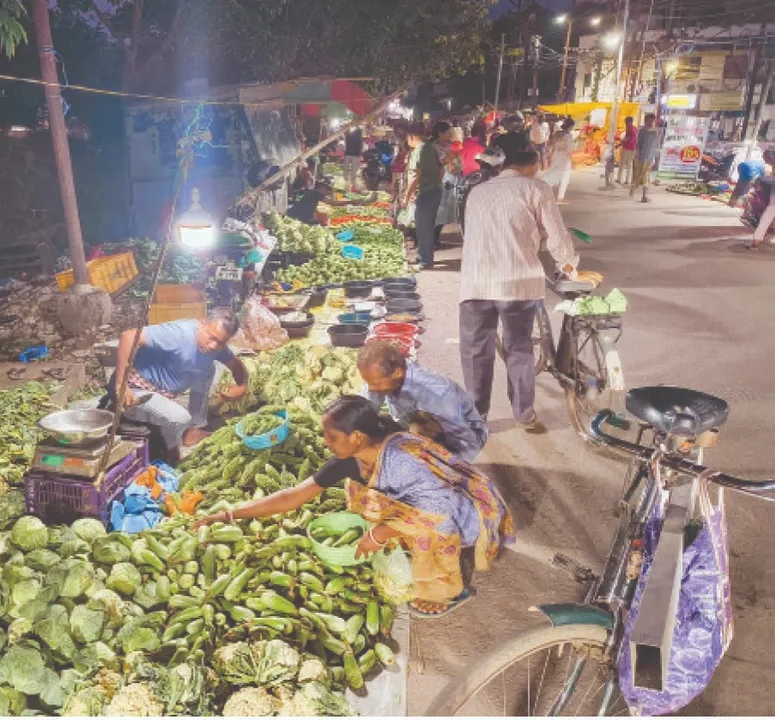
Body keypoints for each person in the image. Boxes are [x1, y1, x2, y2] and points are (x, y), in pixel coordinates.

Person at [195, 396, 513, 617]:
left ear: (358, 437)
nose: (324, 442)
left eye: (330, 436)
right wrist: (228, 514)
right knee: (372, 505)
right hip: (427, 508)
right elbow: (293, 496)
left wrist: (380, 533)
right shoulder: (355, 459)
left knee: (420, 530)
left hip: (461, 517)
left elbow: (440, 517)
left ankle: (454, 585)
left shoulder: (401, 462)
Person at [459, 149, 602, 429]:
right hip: (518, 282)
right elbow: (557, 234)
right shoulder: (537, 188)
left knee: (476, 351)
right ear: (533, 167)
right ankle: (523, 412)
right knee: (519, 347)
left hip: (476, 282)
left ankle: (476, 416)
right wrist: (570, 267)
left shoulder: (478, 191)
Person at [113, 309, 248, 461]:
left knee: (208, 368)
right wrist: (121, 384)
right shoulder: (179, 334)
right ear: (202, 323)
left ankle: (194, 429)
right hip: (137, 390)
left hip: (166, 392)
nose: (212, 345)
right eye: (212, 337)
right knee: (180, 418)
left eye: (220, 342)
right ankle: (171, 453)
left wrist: (242, 387)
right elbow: (128, 336)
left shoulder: (216, 346)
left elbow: (236, 365)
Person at [358, 341, 488, 461]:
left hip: (462, 437)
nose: (370, 388)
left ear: (397, 373)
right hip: (415, 425)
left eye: (374, 384)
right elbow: (365, 409)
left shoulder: (435, 394)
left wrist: (449, 472)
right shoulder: (379, 377)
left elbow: (466, 445)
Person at [415, 121, 451, 269]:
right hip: (433, 187)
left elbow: (418, 174)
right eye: (448, 132)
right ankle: (423, 255)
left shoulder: (425, 149)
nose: (450, 135)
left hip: (431, 188)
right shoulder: (429, 148)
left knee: (426, 225)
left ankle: (426, 259)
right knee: (425, 225)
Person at [630, 113, 661, 203]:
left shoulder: (656, 131)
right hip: (642, 157)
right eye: (649, 120)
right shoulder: (642, 131)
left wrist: (656, 158)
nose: (651, 122)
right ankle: (640, 193)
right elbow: (638, 144)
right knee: (642, 175)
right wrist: (637, 155)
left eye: (652, 120)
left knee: (645, 175)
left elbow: (656, 145)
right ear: (646, 120)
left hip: (650, 157)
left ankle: (639, 192)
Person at [544, 118, 575, 203]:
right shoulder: (568, 136)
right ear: (571, 126)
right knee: (563, 177)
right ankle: (559, 197)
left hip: (555, 156)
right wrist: (572, 162)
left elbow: (551, 146)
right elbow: (569, 151)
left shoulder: (557, 134)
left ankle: (547, 193)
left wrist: (549, 157)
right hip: (564, 158)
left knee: (553, 174)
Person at [617, 116, 638, 185]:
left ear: (630, 122)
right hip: (633, 148)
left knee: (622, 164)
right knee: (629, 165)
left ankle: (619, 179)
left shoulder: (629, 129)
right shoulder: (635, 128)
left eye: (626, 122)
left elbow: (627, 138)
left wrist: (619, 144)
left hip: (627, 148)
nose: (625, 123)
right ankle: (627, 180)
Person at [344, 127, 364, 192]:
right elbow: (361, 147)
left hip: (348, 154)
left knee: (346, 170)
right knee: (353, 172)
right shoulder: (359, 138)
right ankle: (352, 187)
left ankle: (346, 186)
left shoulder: (348, 135)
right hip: (356, 155)